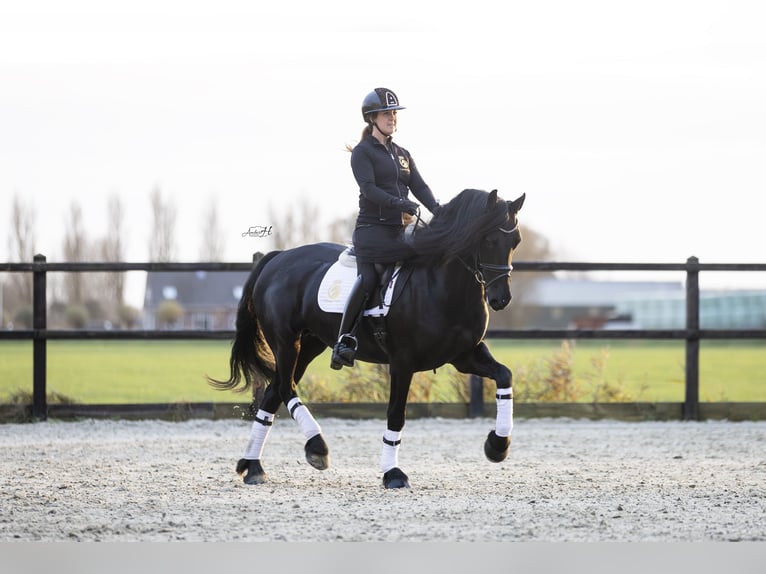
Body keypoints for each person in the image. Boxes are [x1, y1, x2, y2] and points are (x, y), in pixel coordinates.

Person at [331, 87, 441, 370]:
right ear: (372, 118)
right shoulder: (363, 153)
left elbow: (420, 186)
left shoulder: (403, 154)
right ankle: (344, 339)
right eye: (386, 113)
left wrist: (441, 211)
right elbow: (369, 191)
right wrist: (402, 203)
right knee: (368, 279)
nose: (392, 118)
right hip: (372, 231)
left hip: (398, 230)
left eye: (394, 113)